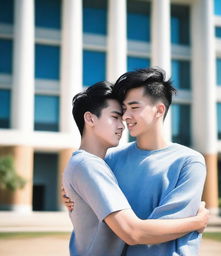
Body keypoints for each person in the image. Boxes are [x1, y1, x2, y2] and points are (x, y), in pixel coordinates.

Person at [63, 80, 209, 256]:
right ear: (90, 118)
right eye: (118, 114)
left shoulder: (189, 161)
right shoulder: (103, 162)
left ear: (159, 110)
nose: (124, 119)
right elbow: (133, 232)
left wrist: (73, 190)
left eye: (133, 107)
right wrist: (198, 222)